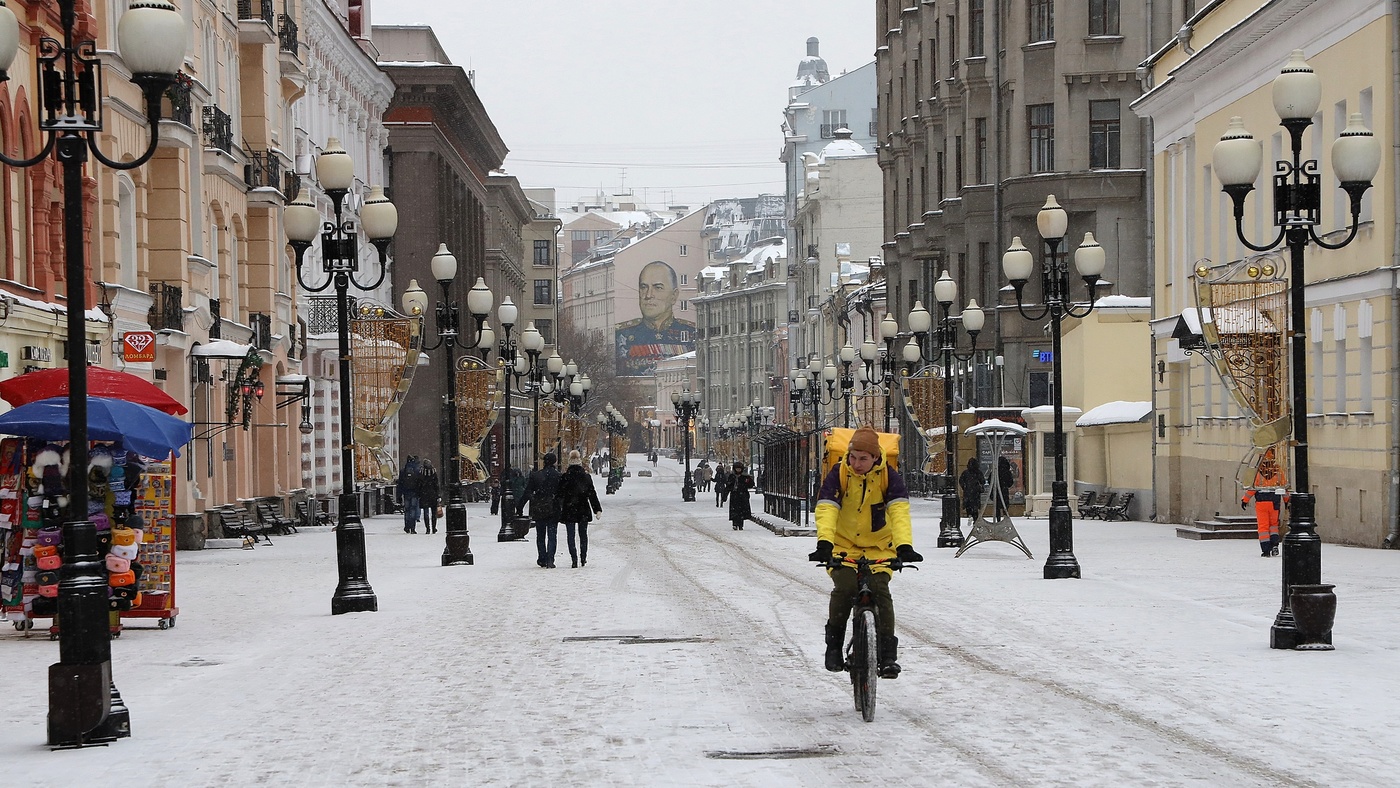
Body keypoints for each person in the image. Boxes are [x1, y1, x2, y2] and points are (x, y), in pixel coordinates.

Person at [808, 427, 922, 679]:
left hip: (878, 548)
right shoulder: (839, 475)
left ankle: (888, 655)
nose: (856, 464)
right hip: (843, 546)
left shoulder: (888, 477)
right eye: (853, 457)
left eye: (863, 458)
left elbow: (899, 512)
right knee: (845, 588)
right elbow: (827, 509)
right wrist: (825, 543)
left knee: (881, 592)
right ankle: (834, 647)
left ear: (875, 458)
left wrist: (904, 546)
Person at [615, 261, 697, 376]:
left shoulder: (692, 334)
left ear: (674, 296)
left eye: (658, 288)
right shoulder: (621, 335)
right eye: (644, 287)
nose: (648, 295)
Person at [557, 450, 602, 568]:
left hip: (569, 508)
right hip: (583, 509)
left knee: (570, 535)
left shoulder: (565, 477)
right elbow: (592, 494)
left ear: (569, 462)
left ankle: (574, 559)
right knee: (583, 535)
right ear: (580, 462)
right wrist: (597, 509)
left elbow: (560, 495)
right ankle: (583, 557)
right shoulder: (586, 477)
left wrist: (559, 507)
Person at [519, 454, 563, 568]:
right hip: (553, 508)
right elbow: (563, 494)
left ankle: (542, 557)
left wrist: (520, 506)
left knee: (541, 535)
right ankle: (550, 559)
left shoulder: (536, 476)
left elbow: (527, 492)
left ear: (544, 462)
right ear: (554, 462)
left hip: (540, 508)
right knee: (552, 535)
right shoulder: (559, 476)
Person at [1242, 449, 1287, 557]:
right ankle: (1275, 544)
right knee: (1273, 525)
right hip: (1274, 501)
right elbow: (1284, 487)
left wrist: (1245, 500)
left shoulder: (1258, 471)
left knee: (1263, 527)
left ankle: (1266, 549)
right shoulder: (1278, 470)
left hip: (1261, 502)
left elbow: (1252, 488)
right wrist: (1286, 500)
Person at [397, 455, 421, 534]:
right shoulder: (417, 471)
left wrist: (399, 495)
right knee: (413, 510)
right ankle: (413, 528)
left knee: (407, 510)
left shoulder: (403, 471)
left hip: (406, 493)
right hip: (414, 493)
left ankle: (407, 526)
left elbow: (400, 484)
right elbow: (419, 484)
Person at [959, 457, 985, 525]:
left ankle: (970, 515)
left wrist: (964, 487)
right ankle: (975, 519)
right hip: (976, 492)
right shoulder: (978, 472)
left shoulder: (965, 472)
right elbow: (983, 481)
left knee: (968, 505)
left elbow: (961, 480)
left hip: (968, 492)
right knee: (975, 507)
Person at [727, 462, 752, 531]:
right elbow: (728, 486)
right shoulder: (732, 476)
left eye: (739, 469)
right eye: (737, 469)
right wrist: (724, 496)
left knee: (741, 511)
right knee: (735, 511)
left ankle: (741, 525)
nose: (738, 470)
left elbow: (751, 485)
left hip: (743, 496)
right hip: (734, 496)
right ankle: (735, 524)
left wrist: (748, 481)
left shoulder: (745, 477)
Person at [419, 459, 441, 535]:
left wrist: (420, 493)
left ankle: (427, 528)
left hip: (424, 494)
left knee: (426, 512)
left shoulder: (421, 472)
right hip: (433, 494)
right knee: (434, 513)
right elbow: (436, 485)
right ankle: (434, 528)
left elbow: (419, 484)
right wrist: (438, 494)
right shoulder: (434, 472)